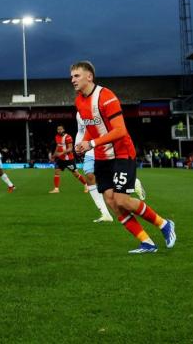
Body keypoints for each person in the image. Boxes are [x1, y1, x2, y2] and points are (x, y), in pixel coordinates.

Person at [71, 61, 176, 254]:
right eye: (71, 76)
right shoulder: (79, 100)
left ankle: (164, 224)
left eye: (76, 76)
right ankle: (147, 243)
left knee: (121, 200)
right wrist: (84, 143)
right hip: (102, 156)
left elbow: (120, 130)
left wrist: (91, 144)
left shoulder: (106, 97)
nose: (72, 80)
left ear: (89, 77)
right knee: (111, 202)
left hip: (121, 153)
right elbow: (90, 128)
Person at [49, 125, 86, 193]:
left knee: (76, 174)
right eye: (58, 129)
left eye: (61, 129)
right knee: (56, 171)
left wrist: (61, 153)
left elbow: (70, 148)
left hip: (68, 159)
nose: (59, 130)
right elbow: (58, 146)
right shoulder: (57, 137)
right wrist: (53, 156)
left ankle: (86, 185)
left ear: (63, 129)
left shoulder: (68, 137)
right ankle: (56, 189)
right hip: (60, 159)